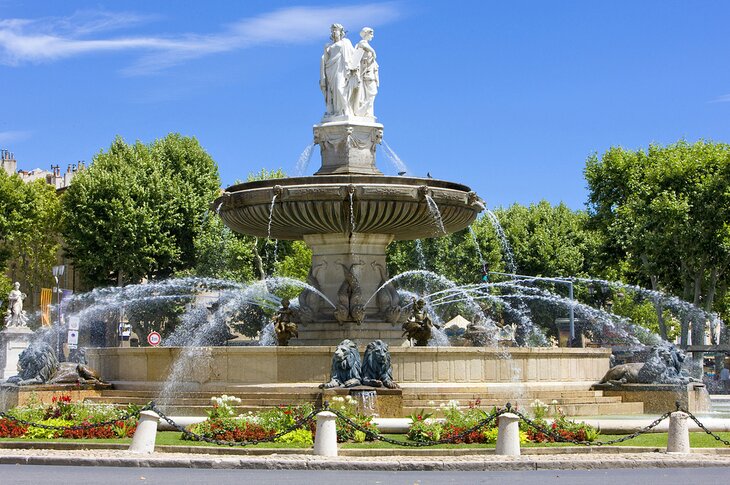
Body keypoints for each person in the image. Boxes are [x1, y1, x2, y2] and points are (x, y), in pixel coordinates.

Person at [320, 24, 359, 117]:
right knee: (333, 92)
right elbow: (324, 60)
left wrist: (355, 66)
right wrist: (323, 76)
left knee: (340, 88)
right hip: (331, 70)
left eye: (336, 30)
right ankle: (336, 111)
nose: (334, 32)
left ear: (341, 32)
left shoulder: (345, 42)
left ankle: (345, 110)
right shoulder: (327, 46)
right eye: (332, 30)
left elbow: (353, 54)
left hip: (342, 69)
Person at [355, 27, 379, 117]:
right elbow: (363, 46)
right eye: (371, 34)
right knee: (371, 93)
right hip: (366, 74)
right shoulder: (362, 43)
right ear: (366, 34)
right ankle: (365, 111)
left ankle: (368, 112)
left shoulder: (366, 45)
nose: (372, 36)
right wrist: (373, 52)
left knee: (371, 93)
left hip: (370, 72)